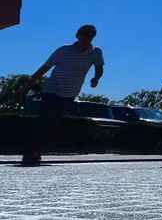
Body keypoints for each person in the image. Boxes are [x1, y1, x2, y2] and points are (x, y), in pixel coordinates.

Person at [15, 24, 105, 166]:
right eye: (84, 37)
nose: (86, 41)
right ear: (78, 36)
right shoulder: (63, 50)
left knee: (51, 123)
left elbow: (99, 68)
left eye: (89, 38)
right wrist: (25, 88)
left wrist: (96, 79)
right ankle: (30, 153)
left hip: (69, 94)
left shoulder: (96, 52)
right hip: (52, 90)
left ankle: (36, 150)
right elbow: (43, 69)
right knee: (45, 120)